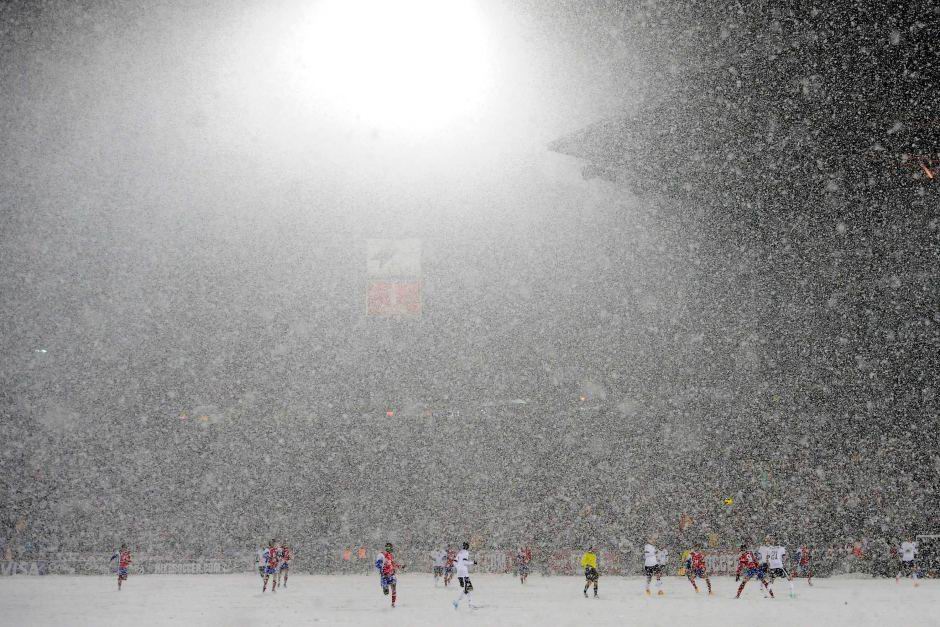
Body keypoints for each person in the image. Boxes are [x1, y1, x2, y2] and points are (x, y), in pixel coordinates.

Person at [375, 542, 403, 607]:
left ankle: (393, 603)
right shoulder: (382, 554)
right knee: (386, 592)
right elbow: (377, 564)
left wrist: (400, 566)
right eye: (387, 547)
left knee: (394, 588)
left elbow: (393, 564)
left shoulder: (391, 555)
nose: (388, 548)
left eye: (389, 547)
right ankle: (385, 588)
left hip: (391, 574)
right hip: (385, 576)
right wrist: (381, 565)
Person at [452, 542, 477, 610]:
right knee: (468, 589)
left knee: (467, 589)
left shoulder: (459, 553)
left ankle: (470, 603)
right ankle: (458, 602)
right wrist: (473, 562)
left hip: (459, 573)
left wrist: (458, 567)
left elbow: (454, 562)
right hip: (464, 573)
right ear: (467, 547)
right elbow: (464, 562)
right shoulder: (466, 552)